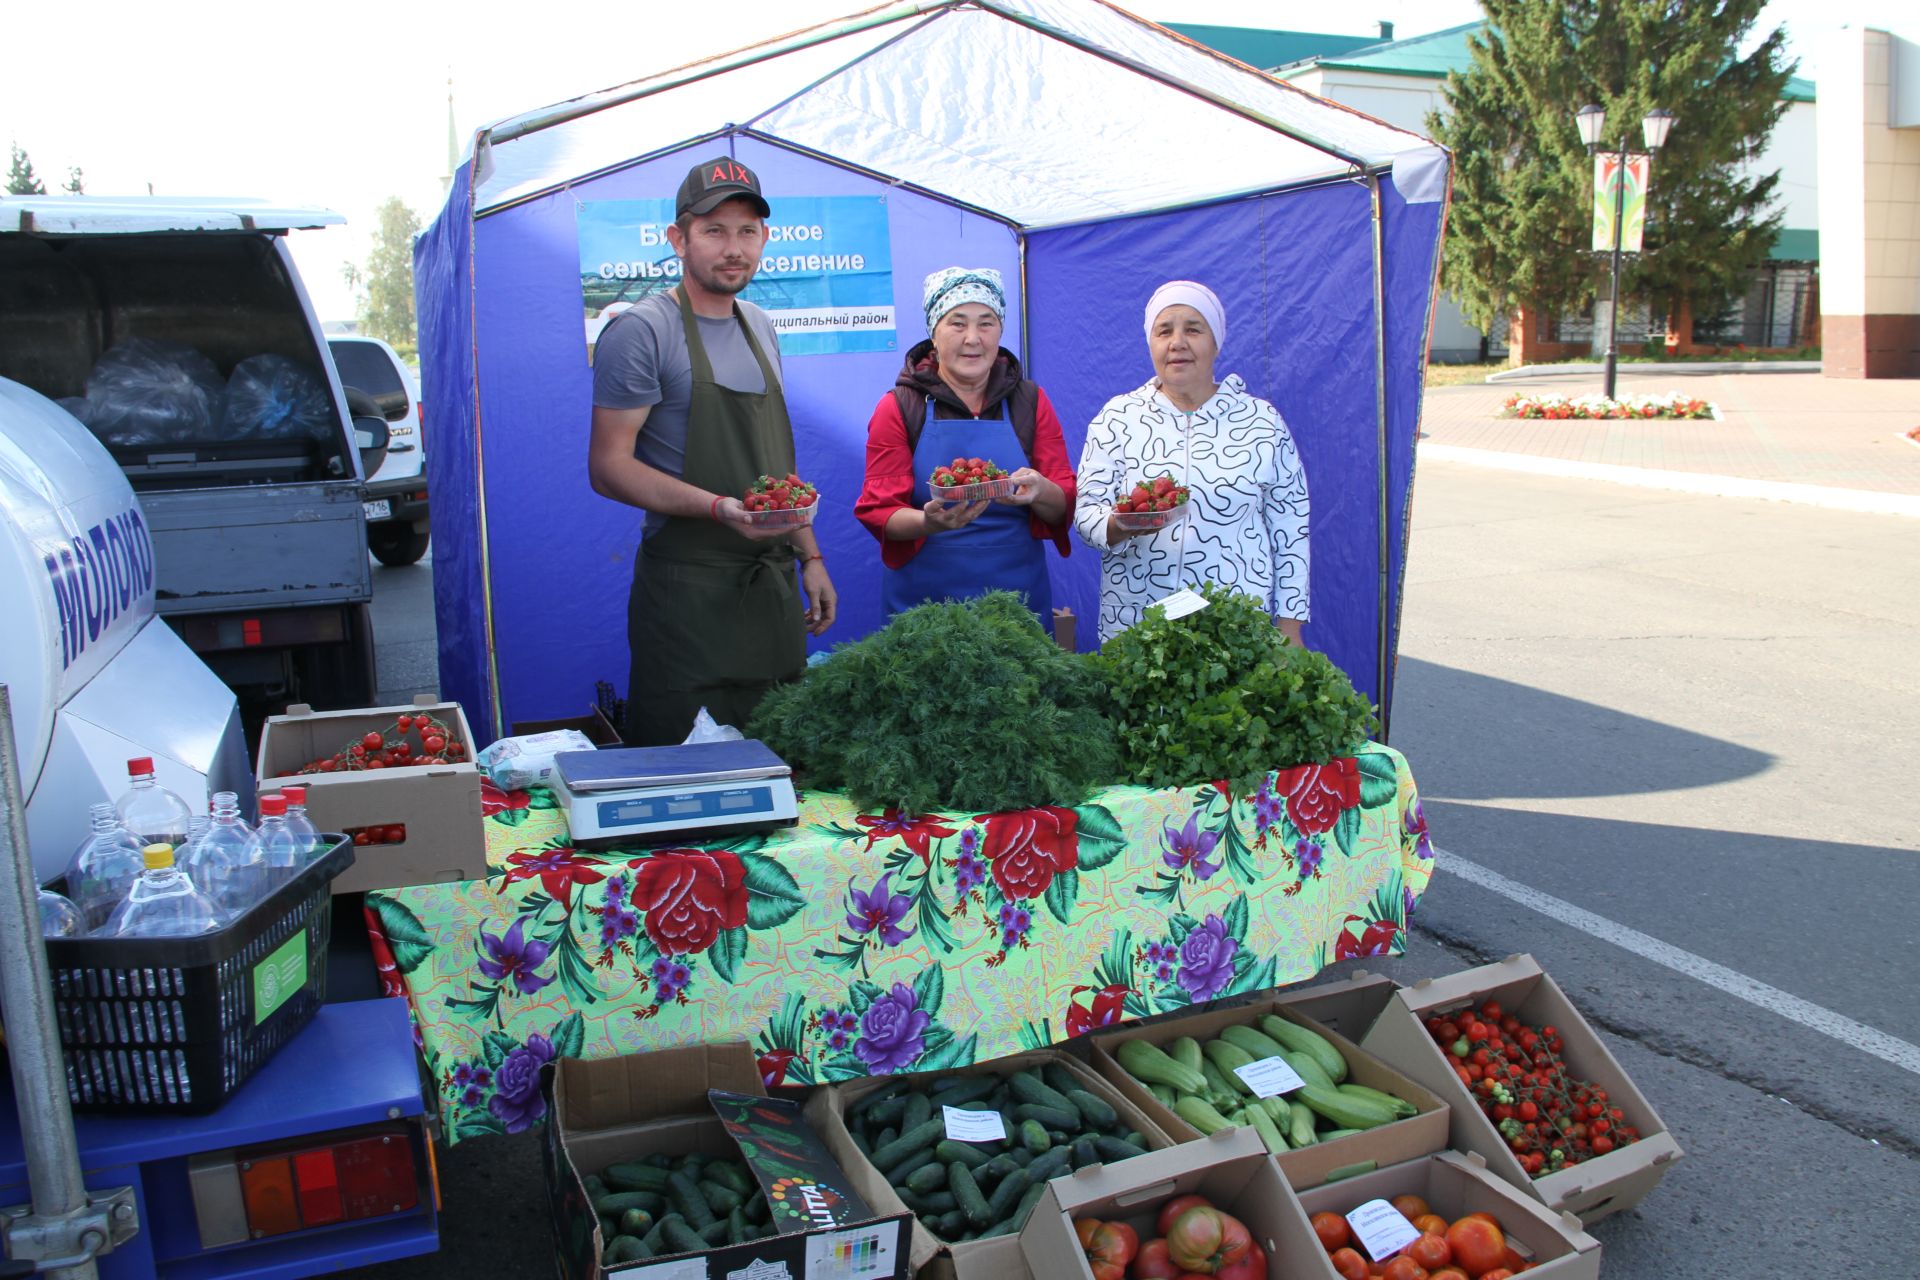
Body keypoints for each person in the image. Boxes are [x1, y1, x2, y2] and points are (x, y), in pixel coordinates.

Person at [587, 155, 837, 745]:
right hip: (687, 600)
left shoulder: (760, 325)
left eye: (747, 231)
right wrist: (719, 508)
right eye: (714, 230)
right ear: (678, 238)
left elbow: (776, 472)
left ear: (765, 238)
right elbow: (608, 466)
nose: (734, 247)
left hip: (770, 595)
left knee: (779, 765)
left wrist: (811, 557)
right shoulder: (642, 331)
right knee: (684, 782)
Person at [1072, 280, 1309, 645]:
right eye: (1164, 330)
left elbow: (1291, 525)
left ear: (1216, 342)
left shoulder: (1261, 422)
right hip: (1138, 629)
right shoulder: (1117, 418)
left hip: (1235, 629)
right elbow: (1086, 513)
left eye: (1193, 329)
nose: (1177, 342)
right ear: (1150, 343)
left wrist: (1290, 626)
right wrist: (1119, 525)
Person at [854, 266, 1076, 627]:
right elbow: (880, 512)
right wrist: (928, 522)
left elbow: (1063, 502)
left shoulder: (1031, 401)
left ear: (1000, 330)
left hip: (1017, 607)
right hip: (924, 610)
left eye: (986, 323)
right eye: (957, 323)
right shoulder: (898, 407)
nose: (973, 338)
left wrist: (1039, 490)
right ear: (934, 333)